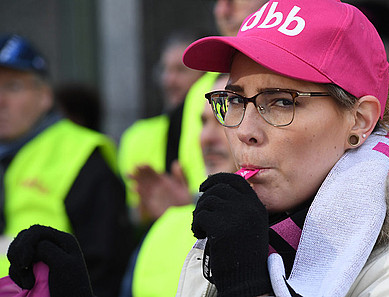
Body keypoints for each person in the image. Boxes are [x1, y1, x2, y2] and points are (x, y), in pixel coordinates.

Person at [175, 0, 389, 296]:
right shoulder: (230, 238)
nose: (245, 131)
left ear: (359, 120)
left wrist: (248, 286)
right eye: (235, 100)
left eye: (281, 102)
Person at [0, 34, 133, 297]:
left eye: (13, 87)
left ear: (45, 96)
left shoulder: (81, 153)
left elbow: (103, 269)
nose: (0, 100)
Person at [119, 75, 235, 297]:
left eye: (223, 117)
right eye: (202, 122)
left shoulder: (295, 231)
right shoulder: (167, 226)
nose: (205, 138)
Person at [118, 29, 207, 226]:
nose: (169, 80)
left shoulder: (224, 125)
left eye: (180, 70)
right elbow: (135, 218)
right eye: (165, 70)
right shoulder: (137, 136)